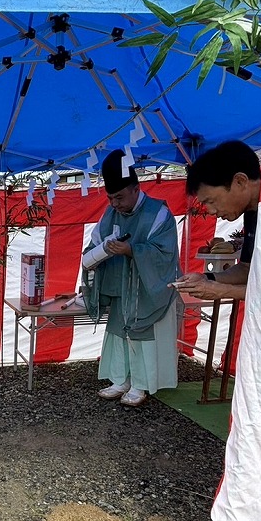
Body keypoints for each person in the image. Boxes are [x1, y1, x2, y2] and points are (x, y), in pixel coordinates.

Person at [87, 149, 181, 407]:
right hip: (121, 286)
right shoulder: (111, 213)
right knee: (119, 332)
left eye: (119, 197)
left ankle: (140, 384)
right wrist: (97, 252)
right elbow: (95, 243)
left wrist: (132, 250)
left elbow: (165, 254)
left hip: (148, 287)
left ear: (136, 189)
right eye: (110, 198)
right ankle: (120, 379)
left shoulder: (158, 213)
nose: (114, 204)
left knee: (142, 333)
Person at [174, 140, 261, 302]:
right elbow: (245, 269)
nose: (211, 211)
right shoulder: (251, 213)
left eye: (212, 201)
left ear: (240, 181)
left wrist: (223, 291)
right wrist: (207, 278)